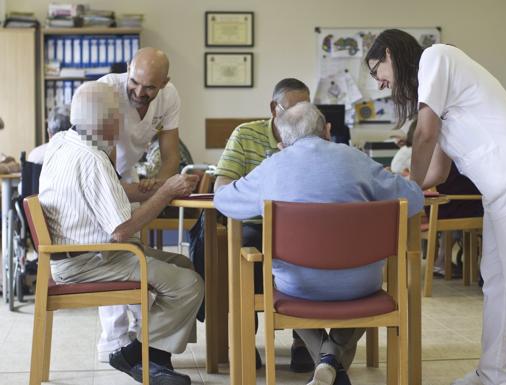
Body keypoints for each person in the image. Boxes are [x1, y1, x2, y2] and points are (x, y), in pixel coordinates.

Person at [365, 29, 506, 385]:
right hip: (498, 186)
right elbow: (438, 170)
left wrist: (407, 187)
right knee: (497, 282)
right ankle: (493, 372)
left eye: (376, 70)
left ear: (390, 55)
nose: (379, 83)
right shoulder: (437, 97)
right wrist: (392, 187)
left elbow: (424, 135)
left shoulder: (435, 57)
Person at [214, 101, 424, 385]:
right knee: (365, 286)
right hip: (360, 286)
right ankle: (331, 361)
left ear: (282, 140)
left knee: (281, 285)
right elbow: (413, 199)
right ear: (327, 129)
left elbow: (224, 201)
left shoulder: (272, 167)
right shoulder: (356, 158)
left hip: (298, 288)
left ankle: (328, 362)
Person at [38, 82, 202, 385]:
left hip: (71, 256)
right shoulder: (94, 158)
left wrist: (138, 189)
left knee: (183, 265)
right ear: (106, 122)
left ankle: (154, 360)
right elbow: (123, 230)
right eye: (118, 116)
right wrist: (165, 191)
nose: (123, 122)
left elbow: (94, 191)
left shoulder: (62, 142)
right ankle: (135, 356)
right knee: (189, 284)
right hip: (90, 262)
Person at [191, 77, 315, 371]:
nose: (301, 117)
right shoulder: (245, 135)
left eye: (305, 108)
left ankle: (304, 340)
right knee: (248, 244)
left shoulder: (312, 135)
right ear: (274, 108)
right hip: (254, 220)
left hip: (301, 222)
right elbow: (223, 185)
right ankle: (246, 336)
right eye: (293, 108)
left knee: (314, 249)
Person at [96, 47, 183, 362]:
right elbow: (103, 163)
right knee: (114, 251)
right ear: (128, 70)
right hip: (99, 169)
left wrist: (158, 186)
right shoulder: (106, 91)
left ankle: (136, 336)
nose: (140, 91)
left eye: (150, 87)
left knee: (132, 252)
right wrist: (145, 194)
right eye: (135, 82)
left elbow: (171, 155)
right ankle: (114, 342)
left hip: (129, 169)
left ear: (164, 83)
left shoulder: (170, 96)